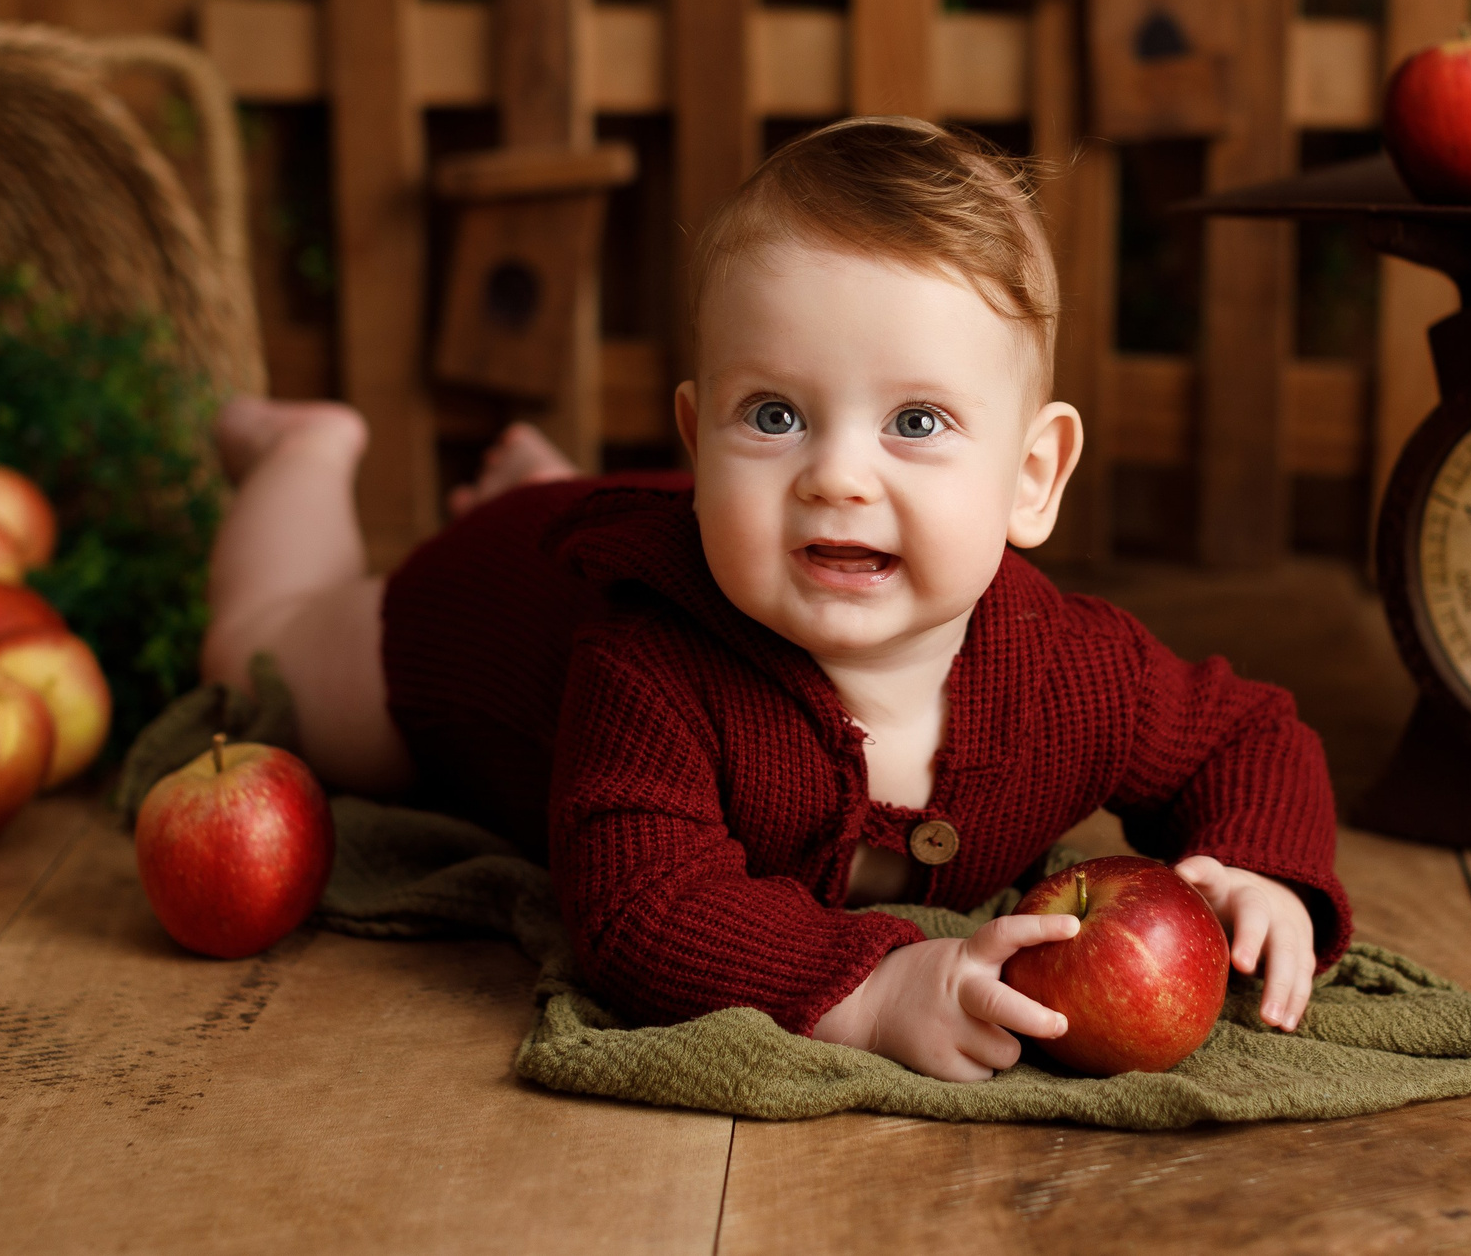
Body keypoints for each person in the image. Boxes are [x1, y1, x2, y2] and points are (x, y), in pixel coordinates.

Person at [202, 117, 1349, 1082]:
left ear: (1031, 476)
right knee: (263, 662)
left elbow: (1244, 731)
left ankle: (558, 479)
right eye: (775, 414)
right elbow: (641, 903)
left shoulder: (1070, 672)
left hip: (710, 525)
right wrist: (866, 983)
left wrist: (1256, 864)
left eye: (915, 422)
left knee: (737, 516)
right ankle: (306, 451)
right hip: (493, 614)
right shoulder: (648, 668)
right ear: (699, 441)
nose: (838, 474)